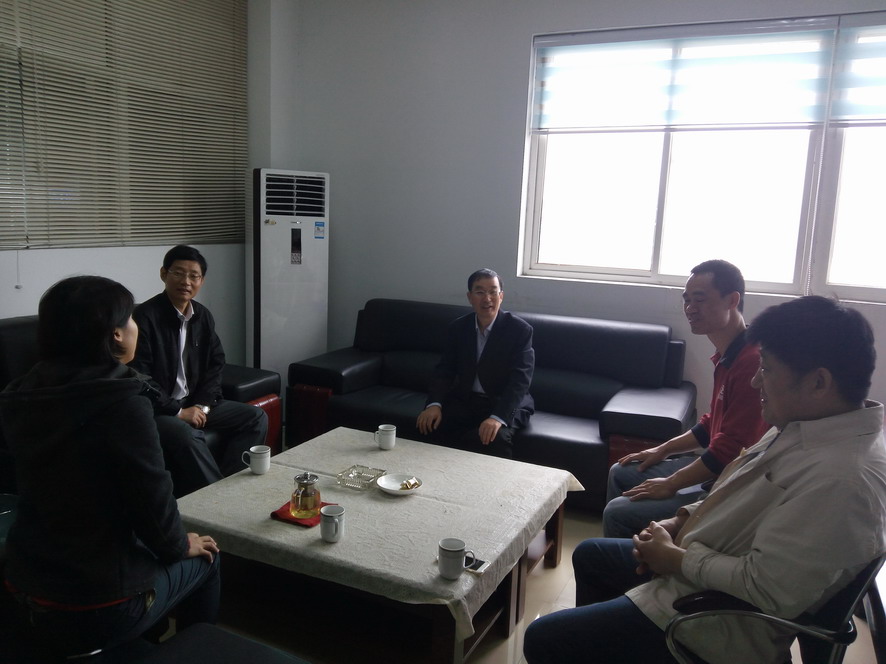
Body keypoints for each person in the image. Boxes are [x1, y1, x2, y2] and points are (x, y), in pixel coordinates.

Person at [523, 295, 886, 664]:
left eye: (767, 369)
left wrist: (676, 559)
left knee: (544, 638)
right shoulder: (802, 427)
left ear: (818, 382)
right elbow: (733, 486)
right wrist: (679, 520)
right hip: (696, 570)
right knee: (591, 555)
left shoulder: (845, 479)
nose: (756, 381)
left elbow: (767, 588)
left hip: (711, 621)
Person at [0, 276, 220, 659]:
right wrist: (180, 545)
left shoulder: (21, 394)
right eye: (130, 318)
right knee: (208, 558)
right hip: (95, 603)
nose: (136, 326)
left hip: (23, 582)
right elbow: (152, 500)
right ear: (115, 334)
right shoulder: (122, 403)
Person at [603, 259, 768, 538]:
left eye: (700, 299)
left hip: (729, 482)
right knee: (622, 470)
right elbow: (712, 423)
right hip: (719, 467)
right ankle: (633, 550)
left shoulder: (751, 362)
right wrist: (662, 450)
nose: (690, 308)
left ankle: (637, 559)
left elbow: (730, 449)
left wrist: (671, 482)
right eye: (687, 300)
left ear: (732, 300)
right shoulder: (727, 354)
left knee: (617, 512)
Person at [129, 245, 267, 497]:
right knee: (186, 435)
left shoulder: (202, 316)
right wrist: (178, 411)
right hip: (158, 409)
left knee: (255, 417)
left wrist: (202, 405)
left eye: (194, 276)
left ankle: (230, 485)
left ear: (201, 281)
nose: (186, 281)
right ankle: (219, 499)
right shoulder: (144, 317)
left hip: (194, 402)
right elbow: (139, 376)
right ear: (163, 274)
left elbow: (216, 363)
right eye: (178, 273)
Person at [416, 268, 534, 458]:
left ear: (501, 296)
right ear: (470, 297)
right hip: (467, 400)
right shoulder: (458, 328)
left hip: (504, 402)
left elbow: (520, 381)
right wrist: (434, 404)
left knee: (495, 438)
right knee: (431, 425)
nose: (487, 298)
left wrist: (497, 418)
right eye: (480, 292)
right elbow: (445, 370)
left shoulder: (519, 330)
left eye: (493, 292)